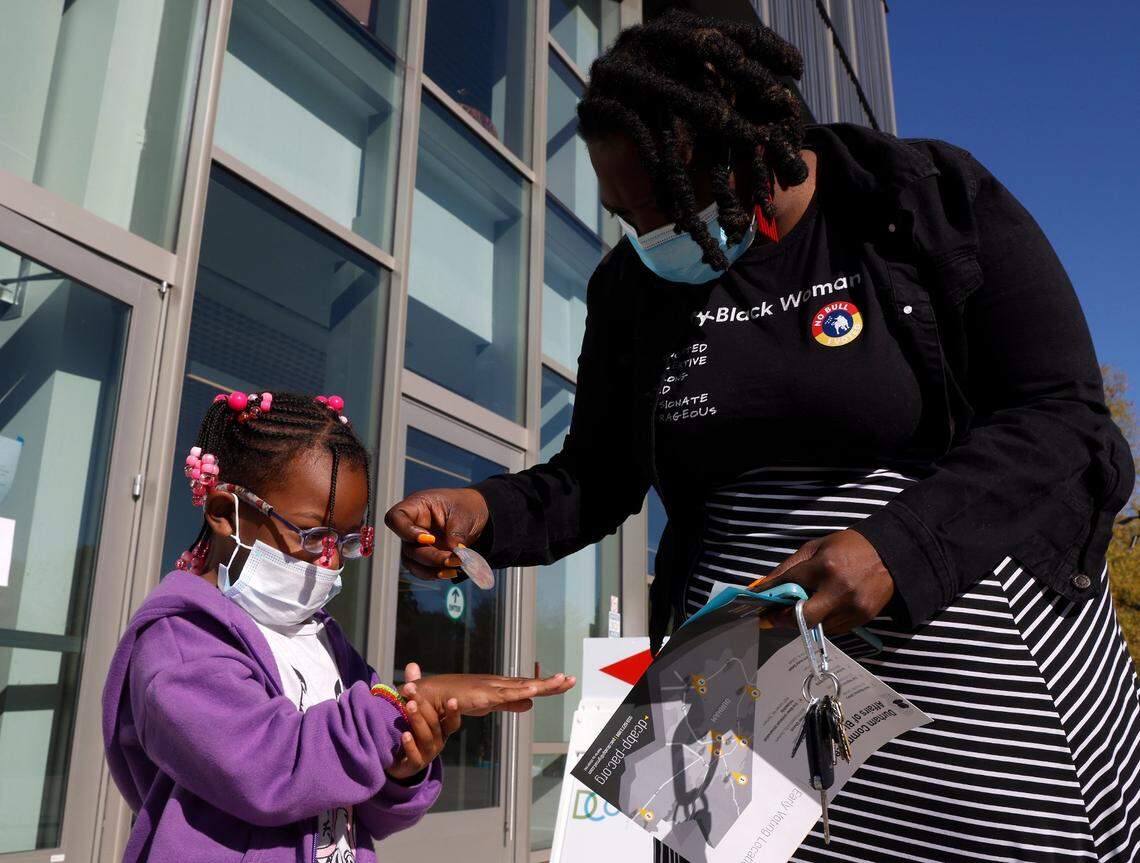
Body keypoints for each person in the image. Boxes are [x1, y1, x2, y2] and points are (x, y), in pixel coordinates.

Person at [384, 11, 1140, 862]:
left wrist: (895, 546)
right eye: (624, 212)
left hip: (963, 663)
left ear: (755, 141)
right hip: (739, 678)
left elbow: (1061, 416)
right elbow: (595, 475)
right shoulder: (631, 290)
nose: (647, 232)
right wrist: (481, 509)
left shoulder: (925, 198)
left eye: (668, 200)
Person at [102, 390, 574, 863]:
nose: (329, 559)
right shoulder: (181, 641)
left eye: (347, 540)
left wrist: (405, 765)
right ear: (227, 514)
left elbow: (363, 803)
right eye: (312, 535)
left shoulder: (324, 640)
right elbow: (271, 769)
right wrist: (406, 706)